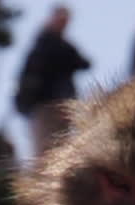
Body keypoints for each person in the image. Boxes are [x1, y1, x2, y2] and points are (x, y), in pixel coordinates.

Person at [15, 5, 91, 158]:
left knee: (63, 153)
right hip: (43, 106)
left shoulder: (63, 46)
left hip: (62, 105)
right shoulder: (44, 43)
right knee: (44, 153)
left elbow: (85, 63)